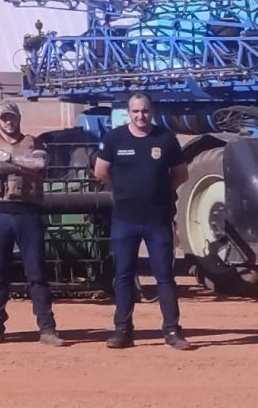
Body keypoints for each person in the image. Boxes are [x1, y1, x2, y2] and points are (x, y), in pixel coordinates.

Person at [94, 92, 192, 350]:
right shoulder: (114, 138)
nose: (141, 116)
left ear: (152, 111)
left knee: (165, 277)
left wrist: (159, 192)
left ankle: (172, 330)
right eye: (136, 111)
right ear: (129, 113)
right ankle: (122, 330)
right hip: (125, 220)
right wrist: (125, 190)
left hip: (157, 221)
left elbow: (181, 174)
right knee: (124, 275)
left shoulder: (166, 139)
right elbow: (101, 171)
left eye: (145, 111)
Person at [0, 101, 61, 345]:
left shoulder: (35, 142)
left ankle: (47, 329)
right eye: (4, 118)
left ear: (19, 118)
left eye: (11, 117)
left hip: (28, 213)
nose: (8, 122)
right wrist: (22, 165)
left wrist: (8, 159)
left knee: (36, 272)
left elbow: (40, 164)